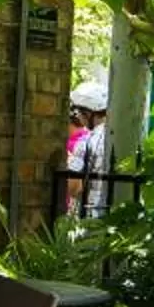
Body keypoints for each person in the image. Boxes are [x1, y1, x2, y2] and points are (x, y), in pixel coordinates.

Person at [64, 80, 112, 218]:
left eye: (79, 112)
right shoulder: (122, 137)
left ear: (88, 113)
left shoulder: (86, 142)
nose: (78, 116)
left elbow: (73, 188)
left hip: (89, 217)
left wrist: (68, 159)